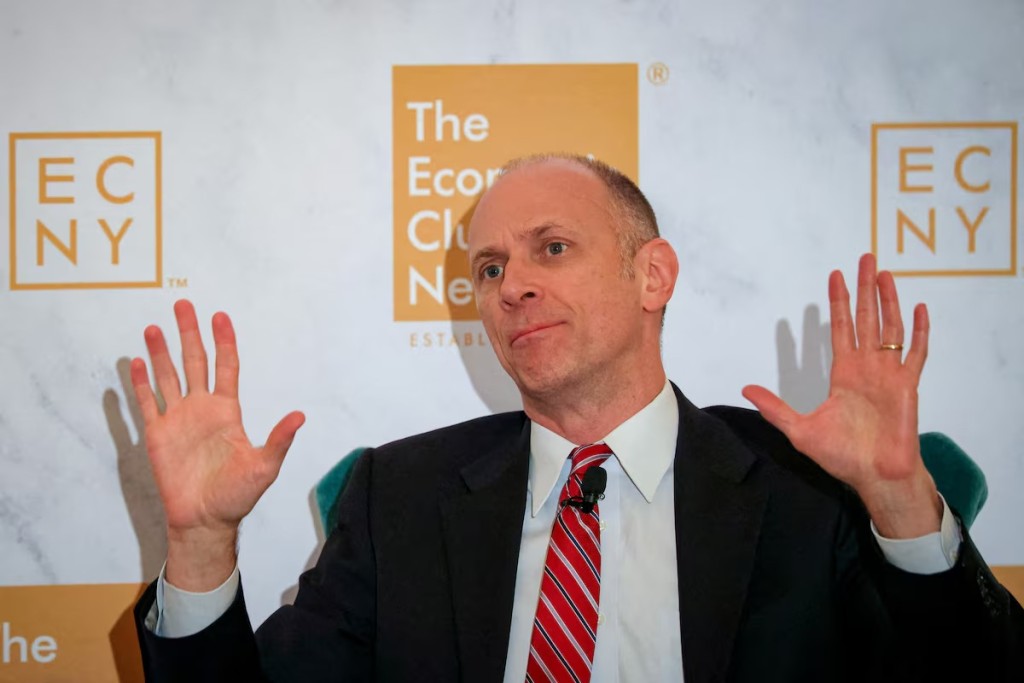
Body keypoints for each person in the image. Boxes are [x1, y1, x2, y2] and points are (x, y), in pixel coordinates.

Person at [131, 154, 1023, 682]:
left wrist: (899, 502)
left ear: (652, 275)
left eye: (552, 248)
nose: (511, 285)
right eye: (488, 268)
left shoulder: (804, 485)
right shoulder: (396, 495)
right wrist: (201, 544)